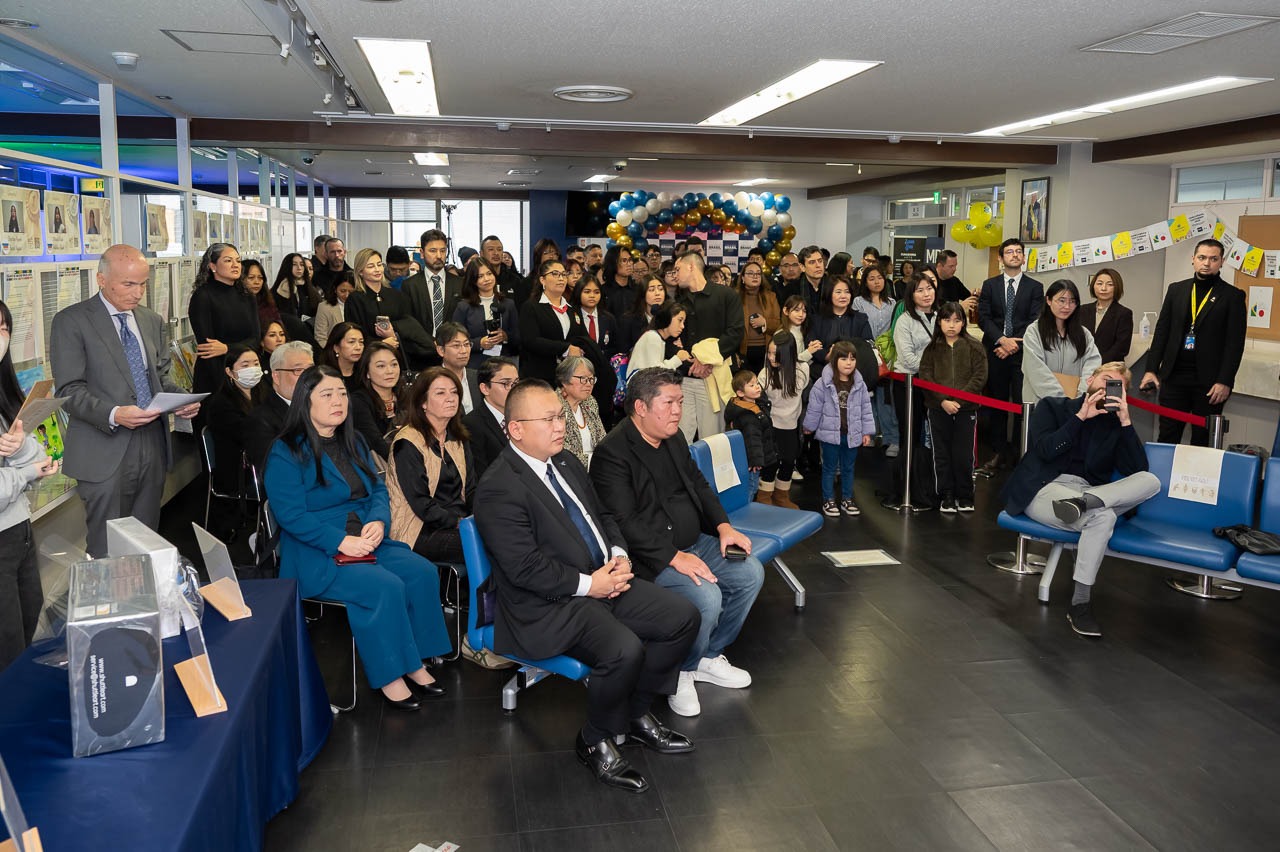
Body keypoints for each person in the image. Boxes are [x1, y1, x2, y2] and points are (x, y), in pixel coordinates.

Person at [475, 379, 699, 792]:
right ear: (516, 429)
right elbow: (524, 569)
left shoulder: (565, 462)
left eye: (560, 416)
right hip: (545, 605)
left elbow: (604, 515)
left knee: (682, 617)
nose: (560, 426)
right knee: (624, 649)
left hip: (601, 579)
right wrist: (589, 584)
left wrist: (619, 555)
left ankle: (633, 713)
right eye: (548, 419)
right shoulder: (498, 487)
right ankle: (595, 739)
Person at [264, 366, 450, 710]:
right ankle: (392, 674)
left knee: (421, 571)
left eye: (341, 393)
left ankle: (417, 659)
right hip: (316, 549)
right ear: (305, 401)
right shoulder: (286, 451)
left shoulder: (353, 441)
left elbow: (378, 489)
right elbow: (291, 516)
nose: (338, 401)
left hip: (365, 534)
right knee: (384, 587)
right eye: (327, 395)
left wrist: (379, 520)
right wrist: (339, 541)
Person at [591, 367, 763, 719]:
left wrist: (723, 527)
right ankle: (680, 671)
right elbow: (623, 522)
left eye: (680, 402)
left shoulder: (673, 437)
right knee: (706, 597)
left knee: (750, 574)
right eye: (669, 403)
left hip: (694, 541)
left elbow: (698, 484)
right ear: (640, 407)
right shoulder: (612, 454)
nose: (677, 411)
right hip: (651, 558)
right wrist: (673, 557)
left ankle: (706, 656)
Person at [50, 245, 200, 556]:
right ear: (102, 280)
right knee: (107, 547)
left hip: (151, 444)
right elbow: (68, 390)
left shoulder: (150, 320)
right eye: (128, 284)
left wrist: (181, 400)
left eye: (143, 284)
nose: (138, 293)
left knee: (145, 541)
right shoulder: (72, 321)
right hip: (103, 448)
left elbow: (160, 377)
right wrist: (115, 413)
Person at [1002, 363, 1160, 637]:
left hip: (1085, 494)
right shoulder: (1052, 407)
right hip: (1045, 488)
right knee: (1105, 516)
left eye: (1117, 386)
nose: (1108, 388)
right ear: (1090, 380)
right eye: (1106, 379)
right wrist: (1080, 417)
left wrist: (1125, 421)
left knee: (1151, 481)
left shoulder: (1114, 426)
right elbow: (1045, 450)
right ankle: (1081, 604)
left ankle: (1086, 503)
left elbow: (1137, 471)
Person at [0, 299, 60, 670]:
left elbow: (33, 448)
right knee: (7, 644)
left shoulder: (4, 390)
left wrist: (22, 450)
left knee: (27, 626)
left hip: (19, 531)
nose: (1, 336)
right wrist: (25, 473)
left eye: (4, 328)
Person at [1141, 239, 1246, 446]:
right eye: (1202, 257)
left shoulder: (1232, 296)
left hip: (1210, 383)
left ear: (1222, 262)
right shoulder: (1176, 290)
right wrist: (1151, 369)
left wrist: (1225, 381)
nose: (1207, 263)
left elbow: (1234, 344)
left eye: (1213, 259)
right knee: (1167, 437)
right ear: (1193, 259)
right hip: (1174, 377)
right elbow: (1162, 332)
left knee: (1202, 441)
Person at [386, 368, 474, 564]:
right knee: (487, 544)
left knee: (505, 532)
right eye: (441, 393)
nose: (450, 398)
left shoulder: (458, 438)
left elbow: (471, 490)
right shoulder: (408, 443)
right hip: (419, 529)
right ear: (423, 402)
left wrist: (481, 517)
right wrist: (457, 522)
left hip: (459, 524)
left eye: (454, 392)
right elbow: (421, 504)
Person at [977, 238, 1044, 473]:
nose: (1014, 255)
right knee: (996, 403)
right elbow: (984, 318)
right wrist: (1001, 339)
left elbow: (1035, 319)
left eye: (1018, 252)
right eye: (1009, 252)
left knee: (1020, 403)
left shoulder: (1035, 287)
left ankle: (1017, 451)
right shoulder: (990, 285)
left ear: (1023, 257)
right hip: (995, 351)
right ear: (1001, 258)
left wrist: (1013, 343)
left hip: (1022, 353)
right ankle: (998, 451)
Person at [918, 302, 987, 513]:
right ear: (939, 322)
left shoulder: (974, 346)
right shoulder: (931, 349)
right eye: (947, 320)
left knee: (964, 454)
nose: (951, 325)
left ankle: (965, 495)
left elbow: (980, 376)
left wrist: (959, 401)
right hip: (938, 408)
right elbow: (926, 376)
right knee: (941, 453)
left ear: (963, 323)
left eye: (957, 321)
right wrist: (943, 401)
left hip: (967, 409)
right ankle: (946, 494)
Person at [673, 251, 743, 442]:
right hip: (685, 378)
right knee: (680, 438)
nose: (675, 275)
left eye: (678, 269)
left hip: (715, 376)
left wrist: (705, 361)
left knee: (713, 440)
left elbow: (735, 333)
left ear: (691, 266)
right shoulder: (678, 303)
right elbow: (673, 341)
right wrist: (692, 363)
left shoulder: (727, 295)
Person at [803, 340, 874, 517]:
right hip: (830, 434)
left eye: (852, 359)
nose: (849, 363)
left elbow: (866, 408)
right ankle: (828, 499)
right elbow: (814, 407)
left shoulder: (859, 384)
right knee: (829, 468)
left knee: (848, 468)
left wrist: (867, 432)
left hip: (852, 434)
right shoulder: (823, 383)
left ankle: (847, 499)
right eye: (843, 359)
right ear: (834, 360)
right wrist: (809, 426)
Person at [889, 272, 939, 510]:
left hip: (935, 384)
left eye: (929, 288)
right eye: (920, 290)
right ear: (911, 294)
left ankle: (927, 485)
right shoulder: (905, 320)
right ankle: (906, 488)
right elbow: (908, 358)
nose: (926, 294)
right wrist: (937, 365)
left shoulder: (940, 317)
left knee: (932, 436)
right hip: (909, 383)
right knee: (910, 435)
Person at [188, 243, 260, 396]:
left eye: (238, 261)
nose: (235, 265)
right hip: (214, 375)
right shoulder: (203, 296)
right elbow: (209, 348)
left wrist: (227, 348)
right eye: (228, 260)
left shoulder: (247, 296)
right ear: (213, 266)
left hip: (247, 372)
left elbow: (255, 340)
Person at [345, 248, 435, 369]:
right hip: (369, 359)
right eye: (371, 266)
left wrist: (394, 334)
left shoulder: (396, 295)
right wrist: (380, 343)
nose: (377, 269)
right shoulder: (355, 299)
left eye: (379, 264)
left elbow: (409, 325)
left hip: (400, 356)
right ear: (360, 272)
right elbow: (354, 332)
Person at [1022, 279, 1101, 404]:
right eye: (1061, 300)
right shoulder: (1034, 332)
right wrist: (1061, 400)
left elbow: (1092, 366)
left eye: (1072, 301)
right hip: (1041, 404)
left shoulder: (1084, 334)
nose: (1067, 306)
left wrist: (1080, 396)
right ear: (1048, 300)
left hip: (1076, 404)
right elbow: (1036, 371)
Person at [202, 344, 266, 495]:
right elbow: (248, 434)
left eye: (256, 364)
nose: (252, 369)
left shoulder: (263, 393)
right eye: (245, 365)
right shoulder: (221, 404)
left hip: (260, 463)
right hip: (240, 471)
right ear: (229, 372)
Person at [244, 340, 313, 471]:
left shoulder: (321, 407)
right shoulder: (260, 420)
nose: (307, 376)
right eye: (298, 370)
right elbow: (272, 468)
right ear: (276, 376)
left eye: (310, 369)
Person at [853, 264, 900, 456]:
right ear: (865, 282)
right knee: (867, 397)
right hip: (866, 354)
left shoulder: (892, 302)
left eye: (879, 278)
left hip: (887, 356)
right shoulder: (858, 302)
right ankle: (870, 435)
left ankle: (892, 438)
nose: (876, 282)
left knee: (887, 399)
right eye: (871, 278)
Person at [518, 259, 587, 384]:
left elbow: (582, 338)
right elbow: (531, 340)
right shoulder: (531, 307)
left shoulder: (572, 309)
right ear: (542, 280)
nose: (561, 278)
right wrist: (565, 348)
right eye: (555, 274)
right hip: (539, 376)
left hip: (568, 377)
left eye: (564, 274)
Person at [402, 229, 464, 363]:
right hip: (420, 354)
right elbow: (409, 322)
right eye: (433, 251)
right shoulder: (410, 285)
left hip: (453, 354)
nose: (439, 256)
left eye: (443, 250)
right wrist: (430, 343)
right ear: (422, 253)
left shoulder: (460, 284)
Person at [723, 370, 778, 503]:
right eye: (752, 385)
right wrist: (755, 461)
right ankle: (745, 512)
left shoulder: (753, 404)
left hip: (751, 458)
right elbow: (752, 440)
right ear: (740, 393)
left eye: (757, 383)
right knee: (751, 488)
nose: (757, 387)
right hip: (751, 461)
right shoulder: (748, 416)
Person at [452, 256, 517, 366]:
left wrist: (505, 336)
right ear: (473, 281)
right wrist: (479, 343)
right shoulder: (463, 307)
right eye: (480, 276)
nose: (487, 279)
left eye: (489, 273)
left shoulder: (508, 304)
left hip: (503, 363)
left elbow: (518, 337)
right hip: (474, 364)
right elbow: (455, 340)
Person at [350, 341, 406, 460]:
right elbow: (376, 444)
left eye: (394, 364)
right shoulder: (358, 402)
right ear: (367, 373)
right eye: (381, 366)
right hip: (381, 464)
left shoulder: (407, 396)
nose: (390, 371)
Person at [462, 356, 516, 476]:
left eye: (516, 383)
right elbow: (480, 474)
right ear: (485, 388)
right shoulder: (471, 424)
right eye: (505, 383)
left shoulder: (523, 416)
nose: (513, 389)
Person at [807, 276, 873, 370]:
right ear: (829, 294)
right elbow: (812, 345)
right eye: (838, 292)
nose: (843, 296)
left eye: (847, 292)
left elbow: (867, 345)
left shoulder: (860, 319)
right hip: (823, 368)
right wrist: (828, 356)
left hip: (855, 367)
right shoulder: (817, 320)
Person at [556, 356, 606, 469]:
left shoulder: (590, 402)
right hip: (569, 469)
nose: (588, 384)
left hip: (597, 467)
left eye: (591, 379)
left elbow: (603, 440)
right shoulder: (555, 406)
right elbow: (563, 453)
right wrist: (600, 462)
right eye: (583, 378)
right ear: (564, 380)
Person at [734, 259, 780, 374]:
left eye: (758, 273)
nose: (755, 276)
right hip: (742, 350)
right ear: (742, 278)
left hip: (766, 350)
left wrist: (765, 323)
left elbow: (779, 323)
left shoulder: (771, 297)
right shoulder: (734, 297)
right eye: (750, 273)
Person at [1080, 268, 1133, 365]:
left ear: (1117, 287)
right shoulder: (1082, 310)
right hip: (1082, 365)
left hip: (1110, 367)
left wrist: (1098, 364)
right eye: (1099, 283)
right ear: (1093, 286)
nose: (1103, 288)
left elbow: (1121, 347)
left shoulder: (1124, 313)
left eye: (1110, 284)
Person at [271, 252, 322, 344]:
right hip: (288, 335)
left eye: (301, 265)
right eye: (294, 264)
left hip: (311, 332)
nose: (299, 268)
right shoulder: (280, 289)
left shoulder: (310, 288)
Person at [628, 301, 692, 374]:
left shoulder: (655, 337)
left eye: (683, 322)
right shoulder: (653, 337)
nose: (682, 326)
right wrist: (678, 358)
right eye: (680, 320)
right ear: (667, 318)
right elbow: (656, 373)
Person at [618, 275, 667, 355]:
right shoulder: (628, 320)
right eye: (651, 290)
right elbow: (624, 351)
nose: (657, 293)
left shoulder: (670, 316)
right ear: (643, 293)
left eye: (661, 289)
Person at [313, 271, 353, 348]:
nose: (347, 295)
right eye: (343, 291)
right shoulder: (324, 307)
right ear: (335, 289)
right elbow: (320, 338)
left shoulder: (360, 306)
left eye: (351, 292)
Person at [239, 259, 280, 331]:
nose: (257, 282)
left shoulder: (267, 301)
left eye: (260, 278)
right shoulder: (236, 303)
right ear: (240, 279)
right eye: (251, 278)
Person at [323, 322, 366, 389]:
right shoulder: (324, 376)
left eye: (361, 342)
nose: (358, 347)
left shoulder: (365, 373)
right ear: (336, 347)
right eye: (351, 342)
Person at [520, 238, 561, 307]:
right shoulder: (527, 283)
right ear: (538, 256)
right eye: (546, 253)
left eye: (555, 253)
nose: (551, 256)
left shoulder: (562, 280)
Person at [934, 250, 976, 315]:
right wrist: (959, 307)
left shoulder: (954, 281)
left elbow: (968, 297)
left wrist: (975, 294)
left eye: (955, 266)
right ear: (940, 266)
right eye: (951, 266)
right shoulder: (930, 283)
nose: (954, 269)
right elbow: (937, 310)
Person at [601, 245, 636, 318]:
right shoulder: (603, 291)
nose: (629, 264)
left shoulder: (638, 289)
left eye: (630, 260)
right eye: (624, 261)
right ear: (613, 263)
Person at [797, 245, 827, 315]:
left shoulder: (833, 285)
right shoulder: (793, 288)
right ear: (802, 267)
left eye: (820, 261)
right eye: (812, 262)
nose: (818, 265)